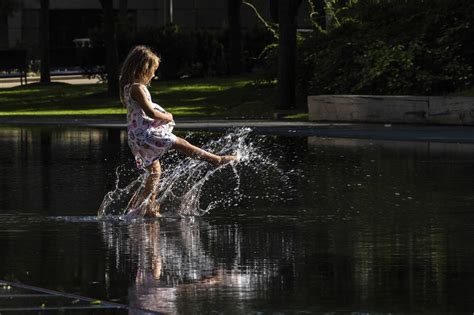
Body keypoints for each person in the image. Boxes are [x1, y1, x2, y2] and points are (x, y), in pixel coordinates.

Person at [119, 46, 237, 218]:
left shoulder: (129, 87)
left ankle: (146, 207)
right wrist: (166, 116)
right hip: (146, 134)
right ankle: (217, 160)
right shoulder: (137, 88)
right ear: (144, 68)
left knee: (155, 172)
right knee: (181, 144)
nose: (154, 75)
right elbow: (150, 112)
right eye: (152, 70)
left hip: (137, 136)